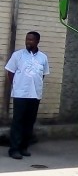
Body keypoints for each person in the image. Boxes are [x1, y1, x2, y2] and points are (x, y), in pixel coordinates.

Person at [5, 31, 50, 160]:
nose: (28, 42)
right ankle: (14, 149)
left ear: (37, 41)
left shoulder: (43, 57)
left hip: (35, 94)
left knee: (29, 122)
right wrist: (18, 85)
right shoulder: (17, 55)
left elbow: (42, 75)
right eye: (27, 39)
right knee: (18, 122)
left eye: (31, 40)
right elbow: (10, 72)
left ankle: (24, 147)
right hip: (20, 94)